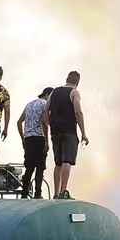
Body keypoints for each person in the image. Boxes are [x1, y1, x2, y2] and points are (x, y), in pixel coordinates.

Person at [43, 71, 89, 200]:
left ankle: (56, 193)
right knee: (66, 160)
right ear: (77, 82)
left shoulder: (54, 92)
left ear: (67, 79)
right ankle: (64, 191)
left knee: (58, 163)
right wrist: (84, 133)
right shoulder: (74, 93)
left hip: (55, 131)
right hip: (69, 130)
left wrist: (50, 124)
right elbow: (78, 112)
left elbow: (46, 110)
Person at [16, 86, 53, 199]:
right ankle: (38, 193)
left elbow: (19, 122)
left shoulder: (29, 105)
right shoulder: (44, 104)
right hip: (39, 138)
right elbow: (44, 122)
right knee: (40, 167)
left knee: (29, 167)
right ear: (47, 95)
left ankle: (24, 193)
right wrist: (46, 140)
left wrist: (23, 138)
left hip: (28, 139)